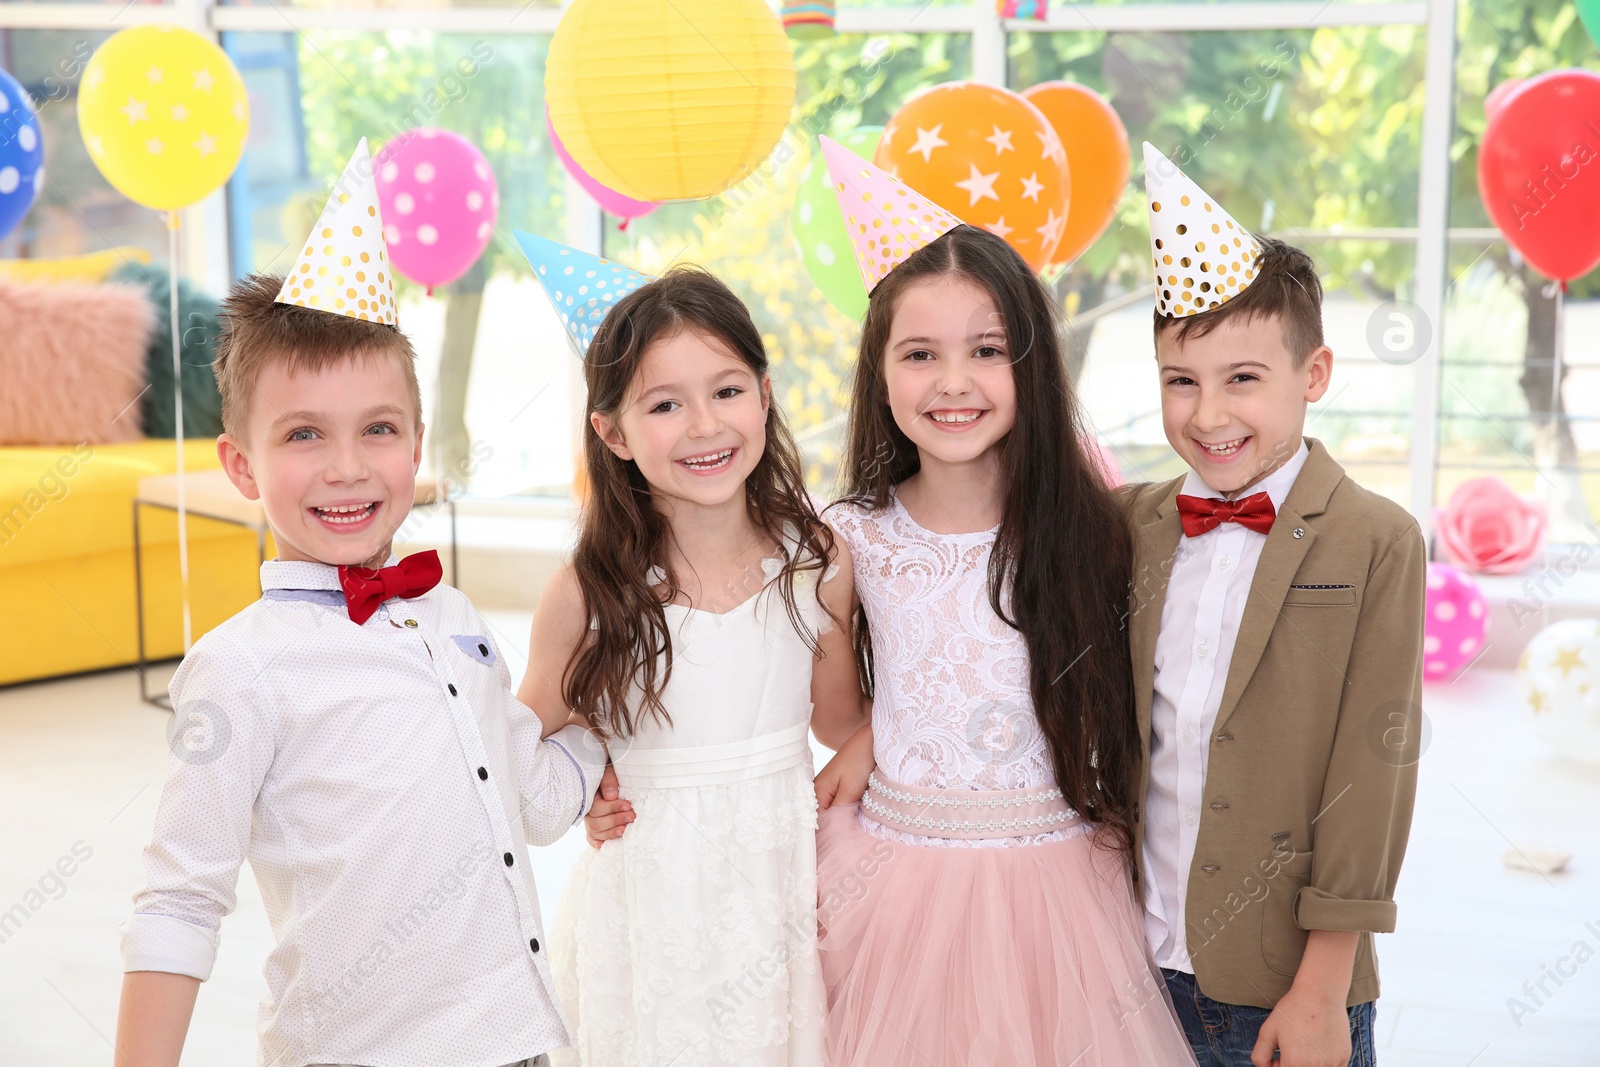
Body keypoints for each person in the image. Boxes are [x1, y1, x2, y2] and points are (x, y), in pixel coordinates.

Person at [113, 143, 603, 1067]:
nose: (346, 466)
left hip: (526, 1042)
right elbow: (180, 898)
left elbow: (532, 799)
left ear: (416, 441)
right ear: (242, 464)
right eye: (305, 434)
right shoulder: (240, 666)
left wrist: (615, 719)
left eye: (377, 429)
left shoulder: (453, 619)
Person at [808, 138, 1197, 1066]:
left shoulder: (1087, 528)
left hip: (1057, 872)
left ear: (1032, 362)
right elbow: (830, 708)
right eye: (920, 353)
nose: (953, 382)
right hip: (896, 868)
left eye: (986, 351)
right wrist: (874, 733)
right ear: (880, 370)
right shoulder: (848, 534)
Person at [511, 236, 868, 1066]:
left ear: (765, 395)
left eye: (727, 390)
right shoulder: (590, 589)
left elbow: (844, 721)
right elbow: (520, 744)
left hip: (778, 891)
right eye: (664, 404)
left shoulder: (816, 563)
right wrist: (583, 782)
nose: (705, 425)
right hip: (649, 905)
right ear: (614, 431)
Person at [1124, 143, 1424, 1067]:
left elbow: (1373, 777)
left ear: (1316, 373)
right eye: (1182, 380)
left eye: (1242, 378)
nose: (1207, 414)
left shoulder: (1377, 539)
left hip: (1283, 985)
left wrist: (1321, 990)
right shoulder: (1131, 523)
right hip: (1132, 963)